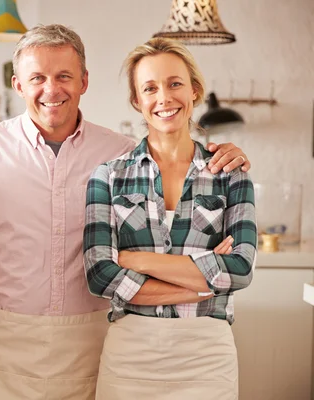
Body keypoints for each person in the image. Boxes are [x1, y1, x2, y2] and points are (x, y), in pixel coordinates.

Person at [0, 24, 251, 400]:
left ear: (84, 81)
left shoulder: (121, 154)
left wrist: (225, 158)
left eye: (64, 76)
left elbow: (168, 237)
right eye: (37, 78)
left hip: (95, 341)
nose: (52, 89)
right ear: (18, 85)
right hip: (5, 343)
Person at [83, 37, 257, 400]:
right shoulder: (109, 176)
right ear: (137, 101)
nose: (164, 98)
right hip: (131, 353)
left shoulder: (230, 173)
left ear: (194, 91)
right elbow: (100, 275)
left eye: (175, 84)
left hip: (207, 355)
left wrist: (137, 261)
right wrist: (204, 284)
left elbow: (240, 269)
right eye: (150, 88)